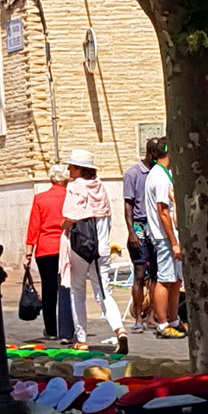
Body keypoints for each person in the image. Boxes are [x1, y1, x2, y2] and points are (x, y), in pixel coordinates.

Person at [61, 149, 128, 354]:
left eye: (71, 166)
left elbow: (69, 216)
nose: (68, 169)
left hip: (80, 247)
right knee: (103, 292)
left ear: (80, 169)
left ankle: (81, 338)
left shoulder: (75, 188)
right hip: (102, 248)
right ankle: (119, 329)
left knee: (77, 291)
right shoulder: (101, 188)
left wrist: (64, 226)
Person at [24, 163, 70, 340]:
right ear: (66, 179)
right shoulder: (70, 197)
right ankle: (67, 327)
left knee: (48, 288)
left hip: (44, 248)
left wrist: (28, 253)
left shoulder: (40, 199)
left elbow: (33, 227)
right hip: (65, 246)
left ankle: (51, 329)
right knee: (67, 287)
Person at [143, 138, 184, 339]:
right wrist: (174, 242)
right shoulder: (159, 177)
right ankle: (162, 322)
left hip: (171, 235)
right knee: (165, 279)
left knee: (176, 280)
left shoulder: (164, 174)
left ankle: (174, 319)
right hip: (164, 236)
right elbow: (163, 211)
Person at [122, 139, 159, 332]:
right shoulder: (132, 174)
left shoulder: (159, 172)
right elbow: (128, 205)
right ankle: (138, 316)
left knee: (155, 273)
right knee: (139, 274)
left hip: (155, 226)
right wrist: (131, 232)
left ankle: (152, 314)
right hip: (139, 225)